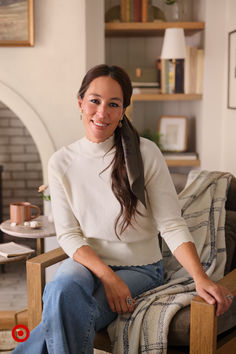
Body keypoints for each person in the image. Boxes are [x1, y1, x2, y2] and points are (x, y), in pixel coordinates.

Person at [13, 64, 233, 354]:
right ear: (80, 103)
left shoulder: (145, 154)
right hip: (87, 263)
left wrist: (200, 277)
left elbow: (171, 224)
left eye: (113, 104)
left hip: (141, 268)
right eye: (95, 101)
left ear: (122, 111)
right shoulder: (61, 162)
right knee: (60, 288)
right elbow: (68, 235)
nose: (102, 112)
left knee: (66, 308)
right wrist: (108, 276)